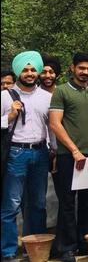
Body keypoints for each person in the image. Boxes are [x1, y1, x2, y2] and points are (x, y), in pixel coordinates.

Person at [49, 52, 88, 261]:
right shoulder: (62, 91)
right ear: (72, 68)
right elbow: (55, 123)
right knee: (67, 202)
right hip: (69, 157)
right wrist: (74, 150)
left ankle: (86, 243)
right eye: (81, 68)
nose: (85, 72)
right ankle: (67, 247)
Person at [1, 51, 52, 261]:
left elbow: (52, 126)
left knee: (38, 204)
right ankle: (8, 251)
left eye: (33, 69)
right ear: (18, 71)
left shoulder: (47, 97)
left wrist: (55, 152)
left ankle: (36, 249)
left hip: (40, 151)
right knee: (11, 204)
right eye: (25, 69)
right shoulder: (4, 96)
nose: (29, 73)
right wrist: (9, 116)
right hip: (16, 153)